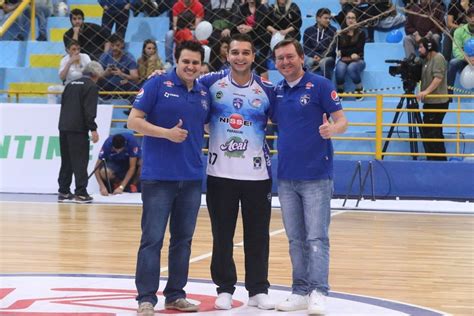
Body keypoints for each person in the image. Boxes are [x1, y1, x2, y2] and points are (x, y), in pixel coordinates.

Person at [128, 40, 211, 315]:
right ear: (176, 60)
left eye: (195, 63)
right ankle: (146, 299)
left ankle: (175, 294)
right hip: (159, 178)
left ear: (201, 65)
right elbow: (133, 121)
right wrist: (166, 133)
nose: (190, 66)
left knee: (183, 240)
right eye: (186, 61)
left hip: (190, 178)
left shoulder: (203, 93)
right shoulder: (156, 84)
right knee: (152, 239)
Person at [198, 33, 275, 311]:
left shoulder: (267, 90)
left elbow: (285, 118)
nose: (240, 57)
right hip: (220, 174)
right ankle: (225, 288)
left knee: (258, 234)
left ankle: (258, 289)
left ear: (253, 57)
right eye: (235, 52)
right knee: (222, 234)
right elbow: (183, 81)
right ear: (226, 55)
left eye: (245, 52)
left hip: (257, 176)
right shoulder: (209, 84)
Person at [271, 39, 348, 315]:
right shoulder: (276, 91)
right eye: (279, 58)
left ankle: (319, 291)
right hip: (286, 177)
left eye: (290, 56)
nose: (285, 62)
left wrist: (332, 131)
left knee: (316, 237)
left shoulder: (321, 86)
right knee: (295, 238)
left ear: (301, 58)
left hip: (316, 176)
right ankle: (299, 291)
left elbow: (342, 121)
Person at [57, 61, 104, 203]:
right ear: (95, 74)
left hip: (64, 126)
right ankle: (81, 192)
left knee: (67, 161)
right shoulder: (91, 86)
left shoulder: (70, 85)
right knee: (80, 161)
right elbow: (89, 111)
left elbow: (64, 105)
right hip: (78, 129)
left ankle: (64, 190)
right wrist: (93, 128)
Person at [416, 37, 449, 161]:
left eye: (421, 47)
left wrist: (425, 92)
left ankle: (439, 160)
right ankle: (433, 159)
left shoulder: (438, 58)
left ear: (429, 47)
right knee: (430, 131)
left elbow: (438, 78)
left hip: (438, 102)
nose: (419, 50)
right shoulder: (426, 60)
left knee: (433, 132)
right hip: (429, 102)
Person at [335, 10, 366, 100]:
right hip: (344, 59)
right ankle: (340, 90)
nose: (350, 20)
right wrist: (349, 52)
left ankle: (359, 88)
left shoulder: (361, 33)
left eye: (353, 18)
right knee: (339, 69)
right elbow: (341, 49)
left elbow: (359, 49)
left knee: (351, 68)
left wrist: (346, 51)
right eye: (348, 18)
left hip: (359, 60)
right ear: (345, 19)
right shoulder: (341, 34)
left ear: (356, 20)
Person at [99, 33, 139, 98]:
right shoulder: (105, 56)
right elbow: (96, 76)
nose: (115, 48)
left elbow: (135, 77)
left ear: (122, 44)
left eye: (117, 45)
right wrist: (105, 73)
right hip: (107, 85)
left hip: (123, 85)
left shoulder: (129, 57)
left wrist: (121, 74)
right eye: (112, 45)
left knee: (132, 85)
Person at [164, 0, 204, 66]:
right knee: (169, 35)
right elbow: (175, 25)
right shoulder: (177, 5)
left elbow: (197, 27)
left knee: (193, 33)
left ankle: (192, 58)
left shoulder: (198, 6)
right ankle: (169, 61)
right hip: (180, 29)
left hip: (192, 30)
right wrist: (176, 29)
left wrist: (188, 28)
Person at [303, 7, 337, 80]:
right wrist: (314, 56)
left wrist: (320, 57)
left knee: (323, 63)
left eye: (329, 18)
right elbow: (306, 48)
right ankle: (307, 85)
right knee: (307, 61)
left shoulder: (333, 31)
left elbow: (332, 49)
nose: (328, 20)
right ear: (318, 18)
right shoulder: (308, 31)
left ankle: (327, 87)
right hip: (312, 56)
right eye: (325, 18)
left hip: (328, 58)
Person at [447, 6, 474, 89]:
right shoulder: (459, 31)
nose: (473, 19)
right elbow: (456, 50)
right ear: (466, 18)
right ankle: (449, 93)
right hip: (464, 61)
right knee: (453, 63)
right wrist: (467, 58)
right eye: (470, 16)